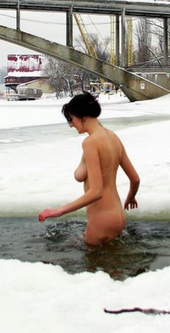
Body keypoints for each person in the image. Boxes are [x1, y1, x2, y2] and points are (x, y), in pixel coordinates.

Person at [38, 92, 140, 245]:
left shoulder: (90, 142)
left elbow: (96, 192)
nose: (70, 124)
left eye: (71, 119)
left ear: (82, 116)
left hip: (101, 220)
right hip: (118, 216)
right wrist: (131, 196)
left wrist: (59, 211)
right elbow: (135, 179)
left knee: (92, 266)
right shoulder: (112, 137)